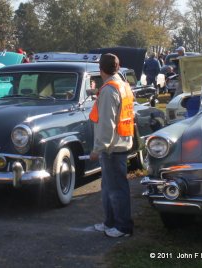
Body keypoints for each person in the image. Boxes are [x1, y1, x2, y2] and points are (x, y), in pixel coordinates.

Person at [89, 53, 134, 238]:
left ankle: (123, 227)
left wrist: (98, 148)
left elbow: (107, 123)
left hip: (112, 147)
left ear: (101, 70)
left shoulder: (109, 89)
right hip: (120, 142)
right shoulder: (123, 85)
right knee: (109, 187)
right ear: (118, 66)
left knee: (115, 188)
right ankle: (110, 222)